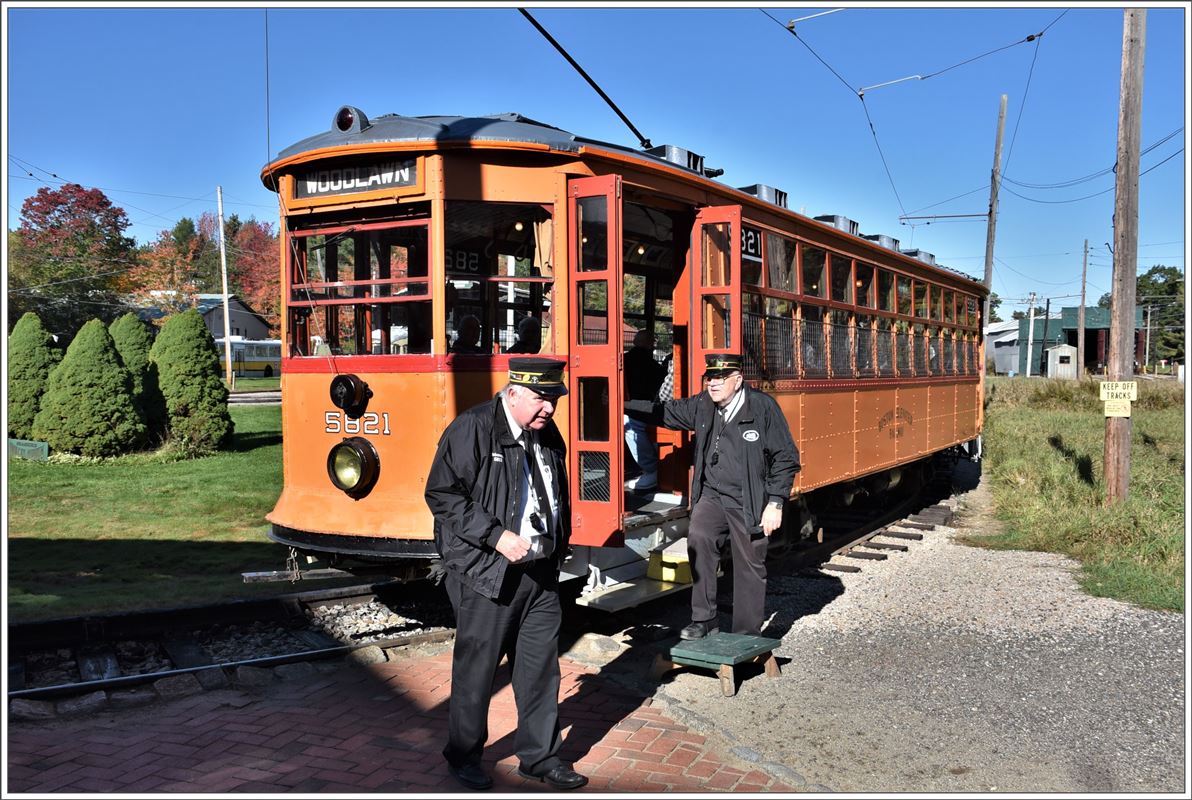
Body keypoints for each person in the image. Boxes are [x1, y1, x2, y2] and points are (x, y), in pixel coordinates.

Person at [424, 357, 588, 792]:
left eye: (554, 399)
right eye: (540, 399)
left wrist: (559, 543)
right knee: (477, 671)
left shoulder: (545, 431)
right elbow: (442, 494)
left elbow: (554, 493)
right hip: (487, 572)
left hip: (540, 573)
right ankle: (463, 756)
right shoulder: (473, 428)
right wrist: (495, 536)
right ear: (513, 393)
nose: (549, 409)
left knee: (539, 671)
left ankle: (540, 757)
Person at [629, 353, 800, 640]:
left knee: (749, 563)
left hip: (749, 498)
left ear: (738, 379)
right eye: (710, 377)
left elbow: (785, 457)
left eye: (721, 377)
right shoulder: (703, 405)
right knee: (699, 539)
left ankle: (746, 634)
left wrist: (775, 502)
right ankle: (704, 619)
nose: (714, 383)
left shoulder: (762, 407)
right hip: (712, 494)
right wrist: (622, 405)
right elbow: (666, 412)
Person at [623, 329, 667, 493]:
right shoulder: (651, 363)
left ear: (634, 341)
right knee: (634, 427)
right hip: (647, 408)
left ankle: (649, 470)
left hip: (627, 406)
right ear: (650, 344)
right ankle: (652, 469)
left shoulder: (625, 359)